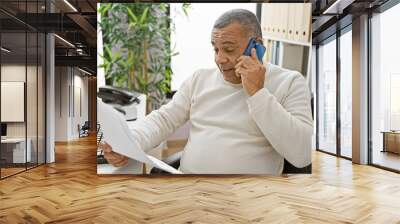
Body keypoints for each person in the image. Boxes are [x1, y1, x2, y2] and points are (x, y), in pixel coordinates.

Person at [101, 9, 313, 175]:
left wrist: (258, 92)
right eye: (215, 49)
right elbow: (164, 119)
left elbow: (301, 155)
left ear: (256, 47)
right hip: (191, 189)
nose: (219, 59)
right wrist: (131, 142)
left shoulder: (290, 82)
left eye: (228, 49)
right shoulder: (200, 79)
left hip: (252, 196)